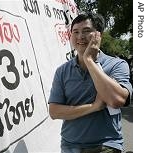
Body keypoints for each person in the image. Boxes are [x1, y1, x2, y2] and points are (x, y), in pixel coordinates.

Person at [48, 12, 132, 153]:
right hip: (69, 146)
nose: (80, 36)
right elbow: (54, 112)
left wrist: (89, 60)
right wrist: (93, 107)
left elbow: (116, 100)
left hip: (106, 145)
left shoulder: (116, 65)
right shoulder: (62, 71)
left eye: (86, 31)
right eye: (75, 32)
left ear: (99, 35)